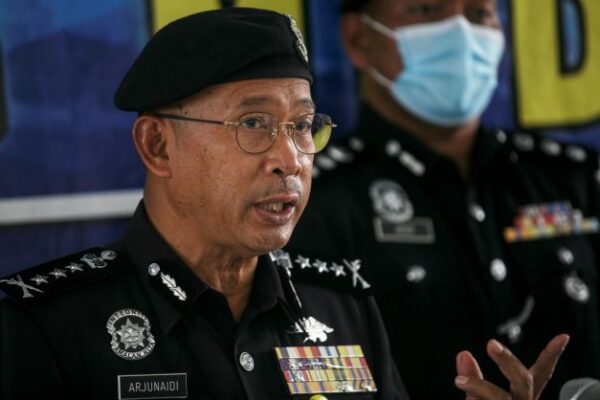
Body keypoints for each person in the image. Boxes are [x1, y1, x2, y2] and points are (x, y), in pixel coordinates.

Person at [0, 7, 567, 400]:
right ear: (157, 145)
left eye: (301, 126)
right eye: (254, 123)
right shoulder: (43, 326)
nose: (290, 159)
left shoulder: (344, 305)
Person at [289, 0, 600, 399]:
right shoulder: (312, 201)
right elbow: (315, 382)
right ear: (358, 38)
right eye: (427, 10)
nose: (461, 32)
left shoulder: (573, 180)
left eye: (479, 14)